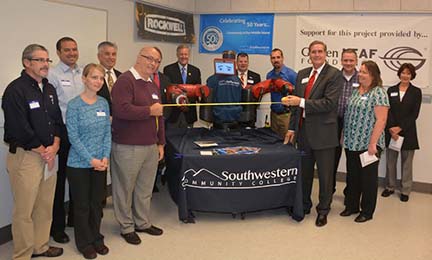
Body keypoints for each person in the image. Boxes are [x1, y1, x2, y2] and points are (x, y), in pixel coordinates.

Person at [2, 44, 63, 259]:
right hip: (27, 157)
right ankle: (23, 254)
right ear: (27, 63)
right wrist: (43, 150)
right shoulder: (15, 90)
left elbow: (56, 120)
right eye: (40, 60)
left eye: (47, 60)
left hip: (49, 155)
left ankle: (40, 246)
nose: (46, 64)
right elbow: (19, 128)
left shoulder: (49, 88)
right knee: (24, 211)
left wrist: (55, 146)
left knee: (45, 206)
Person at [283, 40, 342, 227]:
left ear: (326, 54)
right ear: (309, 54)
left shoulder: (334, 74)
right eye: (313, 52)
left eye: (320, 51)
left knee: (325, 177)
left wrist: (300, 101)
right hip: (303, 133)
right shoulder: (302, 74)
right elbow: (295, 107)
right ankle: (305, 205)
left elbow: (329, 103)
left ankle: (323, 210)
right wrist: (292, 128)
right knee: (305, 174)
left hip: (324, 134)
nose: (316, 55)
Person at [111, 47, 165, 245]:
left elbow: (160, 117)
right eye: (149, 58)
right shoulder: (125, 81)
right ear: (138, 57)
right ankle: (126, 227)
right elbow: (121, 110)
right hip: (128, 146)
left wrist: (161, 142)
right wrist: (149, 111)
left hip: (150, 146)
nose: (153, 63)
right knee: (124, 189)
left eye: (157, 61)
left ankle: (142, 222)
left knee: (145, 188)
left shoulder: (152, 84)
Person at [66, 63, 111, 259]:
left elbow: (107, 133)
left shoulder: (103, 103)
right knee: (82, 206)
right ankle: (84, 243)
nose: (98, 81)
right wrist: (91, 160)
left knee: (96, 204)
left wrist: (105, 157)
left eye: (101, 78)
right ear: (84, 79)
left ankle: (96, 238)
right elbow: (73, 137)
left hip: (100, 163)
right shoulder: (74, 105)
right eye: (94, 77)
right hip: (79, 164)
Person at [340, 60, 389, 223]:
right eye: (360, 71)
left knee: (368, 179)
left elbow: (381, 120)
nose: (360, 74)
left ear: (373, 75)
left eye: (364, 72)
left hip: (369, 144)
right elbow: (349, 115)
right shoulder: (356, 90)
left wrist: (373, 143)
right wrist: (343, 136)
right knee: (353, 176)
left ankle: (367, 211)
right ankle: (352, 206)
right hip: (352, 142)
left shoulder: (379, 93)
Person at [48, 36, 84, 243]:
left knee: (78, 178)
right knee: (59, 182)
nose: (72, 53)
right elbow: (52, 109)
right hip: (62, 132)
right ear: (59, 53)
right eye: (67, 50)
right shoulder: (52, 75)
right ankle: (57, 227)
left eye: (74, 49)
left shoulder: (82, 74)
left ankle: (74, 220)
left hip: (81, 133)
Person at [382, 63, 422, 202]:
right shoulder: (391, 90)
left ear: (412, 75)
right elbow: (388, 110)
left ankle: (405, 190)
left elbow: (414, 114)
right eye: (403, 73)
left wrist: (400, 128)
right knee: (390, 162)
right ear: (399, 74)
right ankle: (390, 187)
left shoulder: (416, 92)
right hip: (392, 131)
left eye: (408, 73)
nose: (405, 75)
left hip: (408, 132)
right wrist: (393, 128)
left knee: (407, 163)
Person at [333, 49, 359, 193]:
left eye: (351, 60)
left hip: (353, 124)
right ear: (341, 61)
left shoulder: (361, 77)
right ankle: (329, 190)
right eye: (345, 60)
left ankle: (350, 193)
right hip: (334, 122)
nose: (348, 63)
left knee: (352, 160)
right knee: (332, 158)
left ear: (356, 61)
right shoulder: (334, 76)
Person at [163, 44, 201, 128]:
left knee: (188, 139)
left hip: (189, 115)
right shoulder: (168, 70)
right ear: (177, 55)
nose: (184, 56)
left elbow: (197, 92)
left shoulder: (195, 71)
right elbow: (167, 92)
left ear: (189, 55)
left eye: (186, 54)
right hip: (173, 114)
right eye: (181, 54)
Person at [206, 50, 242, 130]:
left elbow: (207, 100)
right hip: (233, 119)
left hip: (220, 119)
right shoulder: (237, 80)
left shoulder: (212, 79)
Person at [266, 48, 297, 137]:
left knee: (288, 143)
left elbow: (299, 93)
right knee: (274, 142)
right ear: (270, 60)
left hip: (286, 115)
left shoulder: (292, 75)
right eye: (273, 58)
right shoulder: (269, 75)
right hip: (274, 114)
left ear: (282, 58)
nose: (276, 60)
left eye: (278, 57)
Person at [236, 52, 261, 128]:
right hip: (234, 115)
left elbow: (259, 96)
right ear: (236, 63)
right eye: (240, 61)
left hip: (250, 115)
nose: (243, 64)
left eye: (245, 61)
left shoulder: (256, 77)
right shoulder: (230, 76)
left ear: (248, 62)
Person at [96, 41, 122, 115]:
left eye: (114, 54)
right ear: (99, 56)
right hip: (100, 119)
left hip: (119, 120)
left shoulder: (121, 76)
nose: (111, 57)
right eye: (107, 54)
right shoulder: (92, 76)